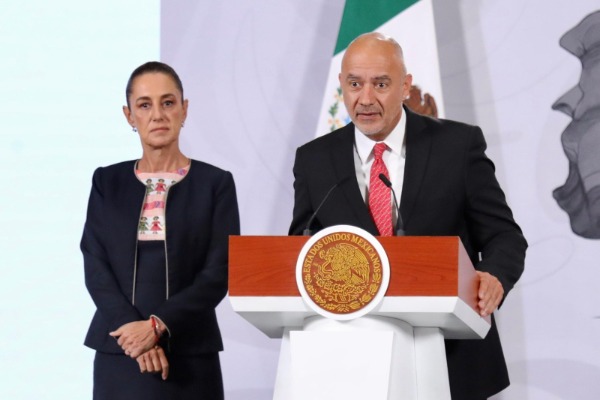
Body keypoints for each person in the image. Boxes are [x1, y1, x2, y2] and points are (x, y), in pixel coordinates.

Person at [289, 33, 527, 400]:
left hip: (451, 356)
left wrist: (493, 275)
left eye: (381, 84)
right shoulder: (314, 160)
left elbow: (504, 236)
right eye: (355, 84)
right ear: (342, 85)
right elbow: (301, 249)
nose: (366, 98)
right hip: (352, 362)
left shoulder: (457, 146)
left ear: (405, 86)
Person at [81, 61, 240, 399]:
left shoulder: (215, 184)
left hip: (191, 353)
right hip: (121, 351)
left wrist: (157, 326)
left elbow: (220, 270)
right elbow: (95, 264)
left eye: (168, 103)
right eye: (144, 105)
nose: (157, 115)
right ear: (129, 116)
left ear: (184, 110)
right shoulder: (107, 182)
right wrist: (135, 335)